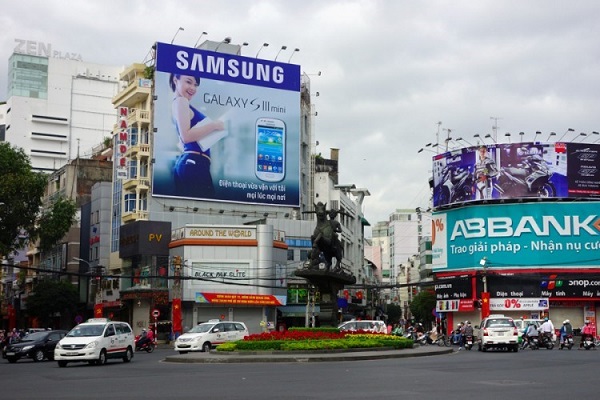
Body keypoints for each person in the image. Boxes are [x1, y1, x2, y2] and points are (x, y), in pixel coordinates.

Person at [170, 73, 225, 198]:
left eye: (196, 85)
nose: (193, 88)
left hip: (190, 163)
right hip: (194, 163)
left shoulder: (177, 103)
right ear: (175, 80)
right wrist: (214, 125)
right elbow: (186, 136)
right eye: (188, 82)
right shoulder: (181, 101)